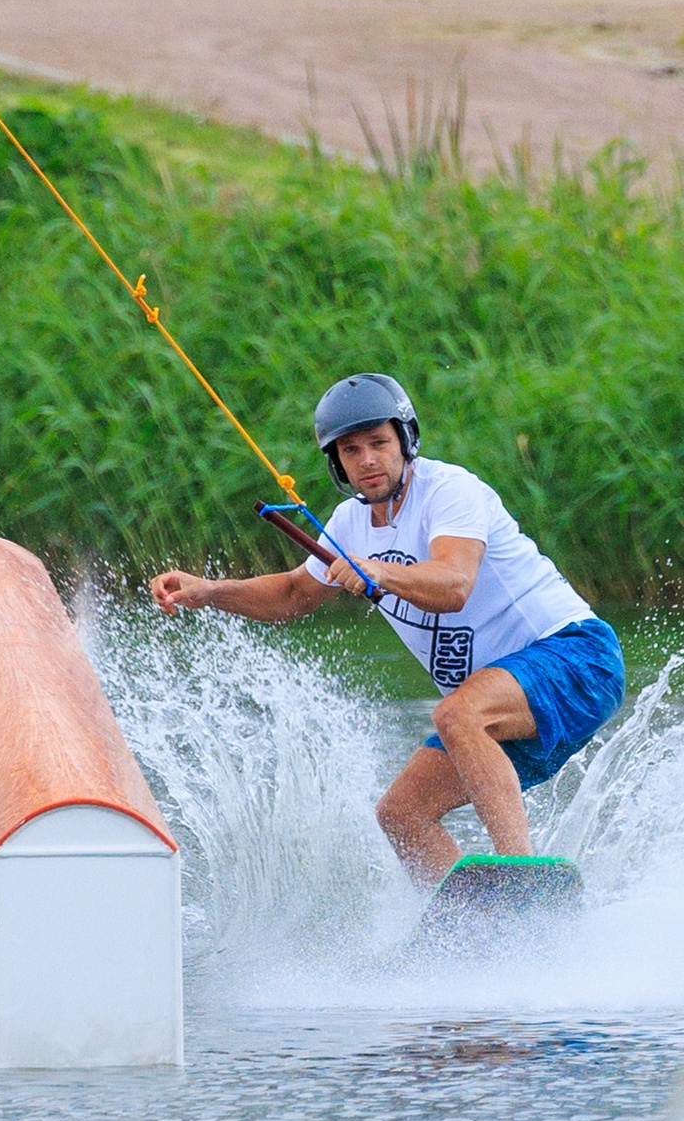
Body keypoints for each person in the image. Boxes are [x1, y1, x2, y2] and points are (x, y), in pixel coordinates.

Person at [150, 373, 625, 886]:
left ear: (405, 439)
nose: (367, 460)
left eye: (378, 443)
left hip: (576, 655)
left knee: (457, 713)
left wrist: (378, 570)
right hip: (506, 699)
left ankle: (524, 881)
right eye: (351, 450)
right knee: (401, 814)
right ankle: (475, 926)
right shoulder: (349, 523)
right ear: (338, 463)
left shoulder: (450, 491)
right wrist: (209, 592)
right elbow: (292, 595)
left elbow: (455, 582)